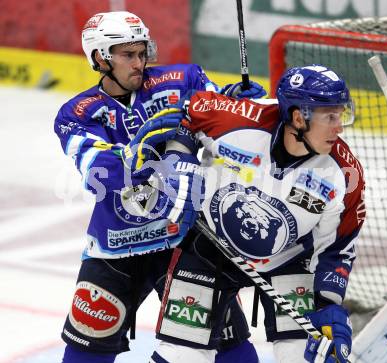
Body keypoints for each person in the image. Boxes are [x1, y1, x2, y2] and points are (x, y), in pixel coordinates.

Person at [54, 11, 265, 363]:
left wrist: (240, 105)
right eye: (127, 55)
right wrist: (143, 146)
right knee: (85, 348)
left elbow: (221, 121)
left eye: (142, 52)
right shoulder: (77, 114)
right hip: (119, 245)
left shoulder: (183, 80)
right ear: (99, 58)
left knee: (228, 342)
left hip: (186, 239)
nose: (139, 63)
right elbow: (100, 174)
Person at [153, 65, 366, 363]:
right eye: (330, 116)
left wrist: (327, 303)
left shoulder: (344, 173)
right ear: (297, 117)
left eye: (341, 115)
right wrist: (178, 157)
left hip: (288, 261)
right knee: (179, 357)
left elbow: (337, 248)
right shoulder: (239, 119)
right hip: (210, 247)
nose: (339, 127)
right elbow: (188, 110)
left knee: (304, 357)